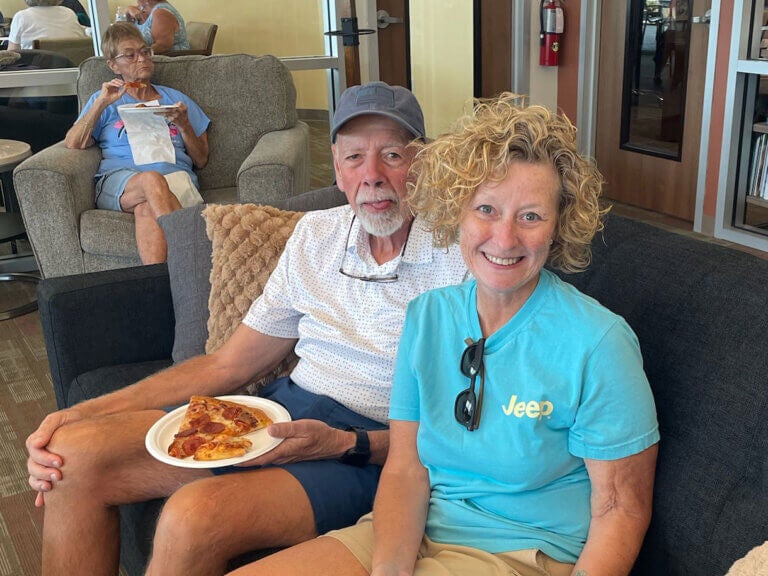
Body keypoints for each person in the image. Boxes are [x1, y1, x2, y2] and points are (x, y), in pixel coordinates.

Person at [25, 80, 468, 576]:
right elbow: (230, 363)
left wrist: (348, 444)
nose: (372, 176)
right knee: (70, 456)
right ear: (337, 167)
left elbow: (472, 421)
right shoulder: (315, 234)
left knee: (194, 517)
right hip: (284, 414)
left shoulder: (462, 254)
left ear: (425, 162)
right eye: (354, 158)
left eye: (393, 155)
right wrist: (82, 414)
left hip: (374, 448)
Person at [229, 94, 661, 576]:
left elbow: (620, 510)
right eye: (486, 209)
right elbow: (406, 468)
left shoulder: (599, 343)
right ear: (457, 211)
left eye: (531, 216)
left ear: (559, 227)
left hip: (519, 550)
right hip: (408, 530)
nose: (504, 238)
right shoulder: (428, 317)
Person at [63, 22, 209, 264]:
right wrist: (101, 103)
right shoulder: (105, 101)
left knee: (146, 208)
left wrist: (184, 125)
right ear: (113, 65)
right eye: (130, 55)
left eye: (144, 51)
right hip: (121, 181)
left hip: (177, 181)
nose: (141, 59)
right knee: (151, 179)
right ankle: (191, 263)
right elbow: (74, 143)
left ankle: (157, 286)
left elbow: (202, 159)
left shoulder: (177, 99)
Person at [6, 0, 86, 51]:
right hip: (70, 70)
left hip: (35, 73)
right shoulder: (70, 13)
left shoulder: (22, 16)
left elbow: (12, 54)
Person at [121, 0, 189, 53]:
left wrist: (134, 53)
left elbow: (163, 46)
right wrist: (129, 9)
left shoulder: (161, 13)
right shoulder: (144, 7)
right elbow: (120, 18)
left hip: (170, 60)